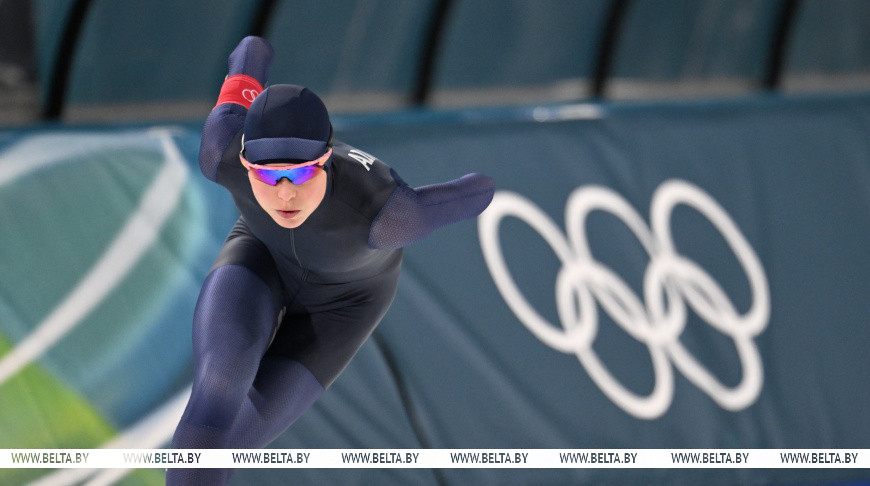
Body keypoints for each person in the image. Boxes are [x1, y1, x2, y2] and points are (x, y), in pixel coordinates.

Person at [167, 36, 494, 485]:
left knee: (235, 442)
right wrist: (256, 45)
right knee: (219, 384)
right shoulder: (220, 150)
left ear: (325, 161)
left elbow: (471, 192)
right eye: (267, 175)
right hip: (261, 255)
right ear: (244, 162)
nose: (285, 194)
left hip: (344, 306)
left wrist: (490, 184)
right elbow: (247, 60)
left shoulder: (388, 214)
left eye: (300, 172)